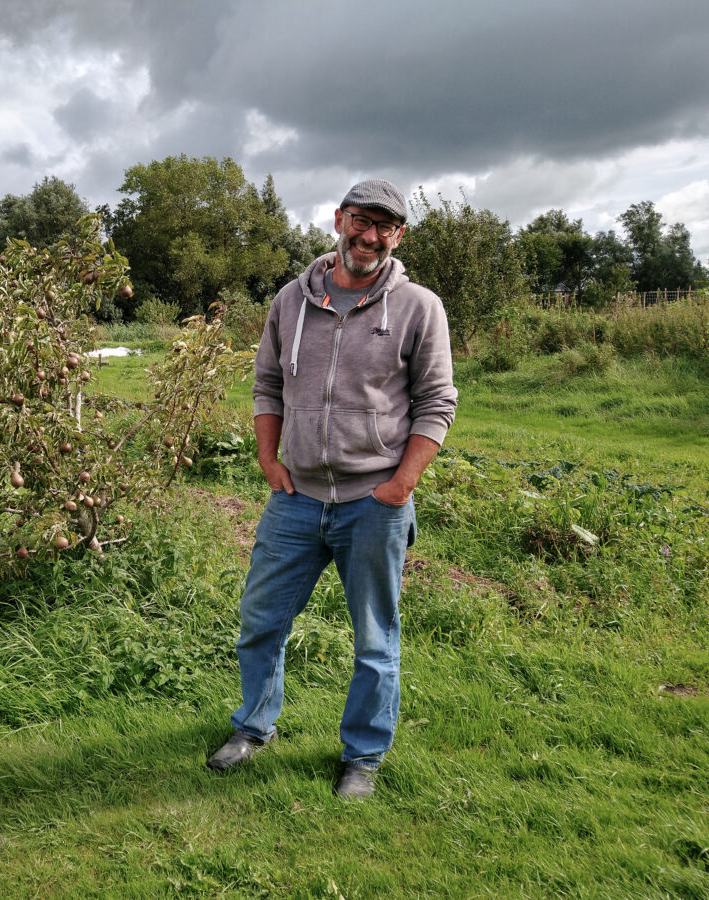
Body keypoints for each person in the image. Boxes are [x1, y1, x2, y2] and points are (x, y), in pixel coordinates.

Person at [207, 178, 457, 799]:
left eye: (386, 227)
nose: (370, 236)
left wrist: (400, 485)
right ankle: (252, 727)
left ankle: (363, 757)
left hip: (374, 504)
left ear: (398, 237)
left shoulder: (419, 307)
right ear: (339, 218)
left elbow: (436, 403)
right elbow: (267, 385)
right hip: (296, 500)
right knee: (262, 619)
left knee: (376, 638)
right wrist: (270, 462)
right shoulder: (291, 301)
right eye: (361, 220)